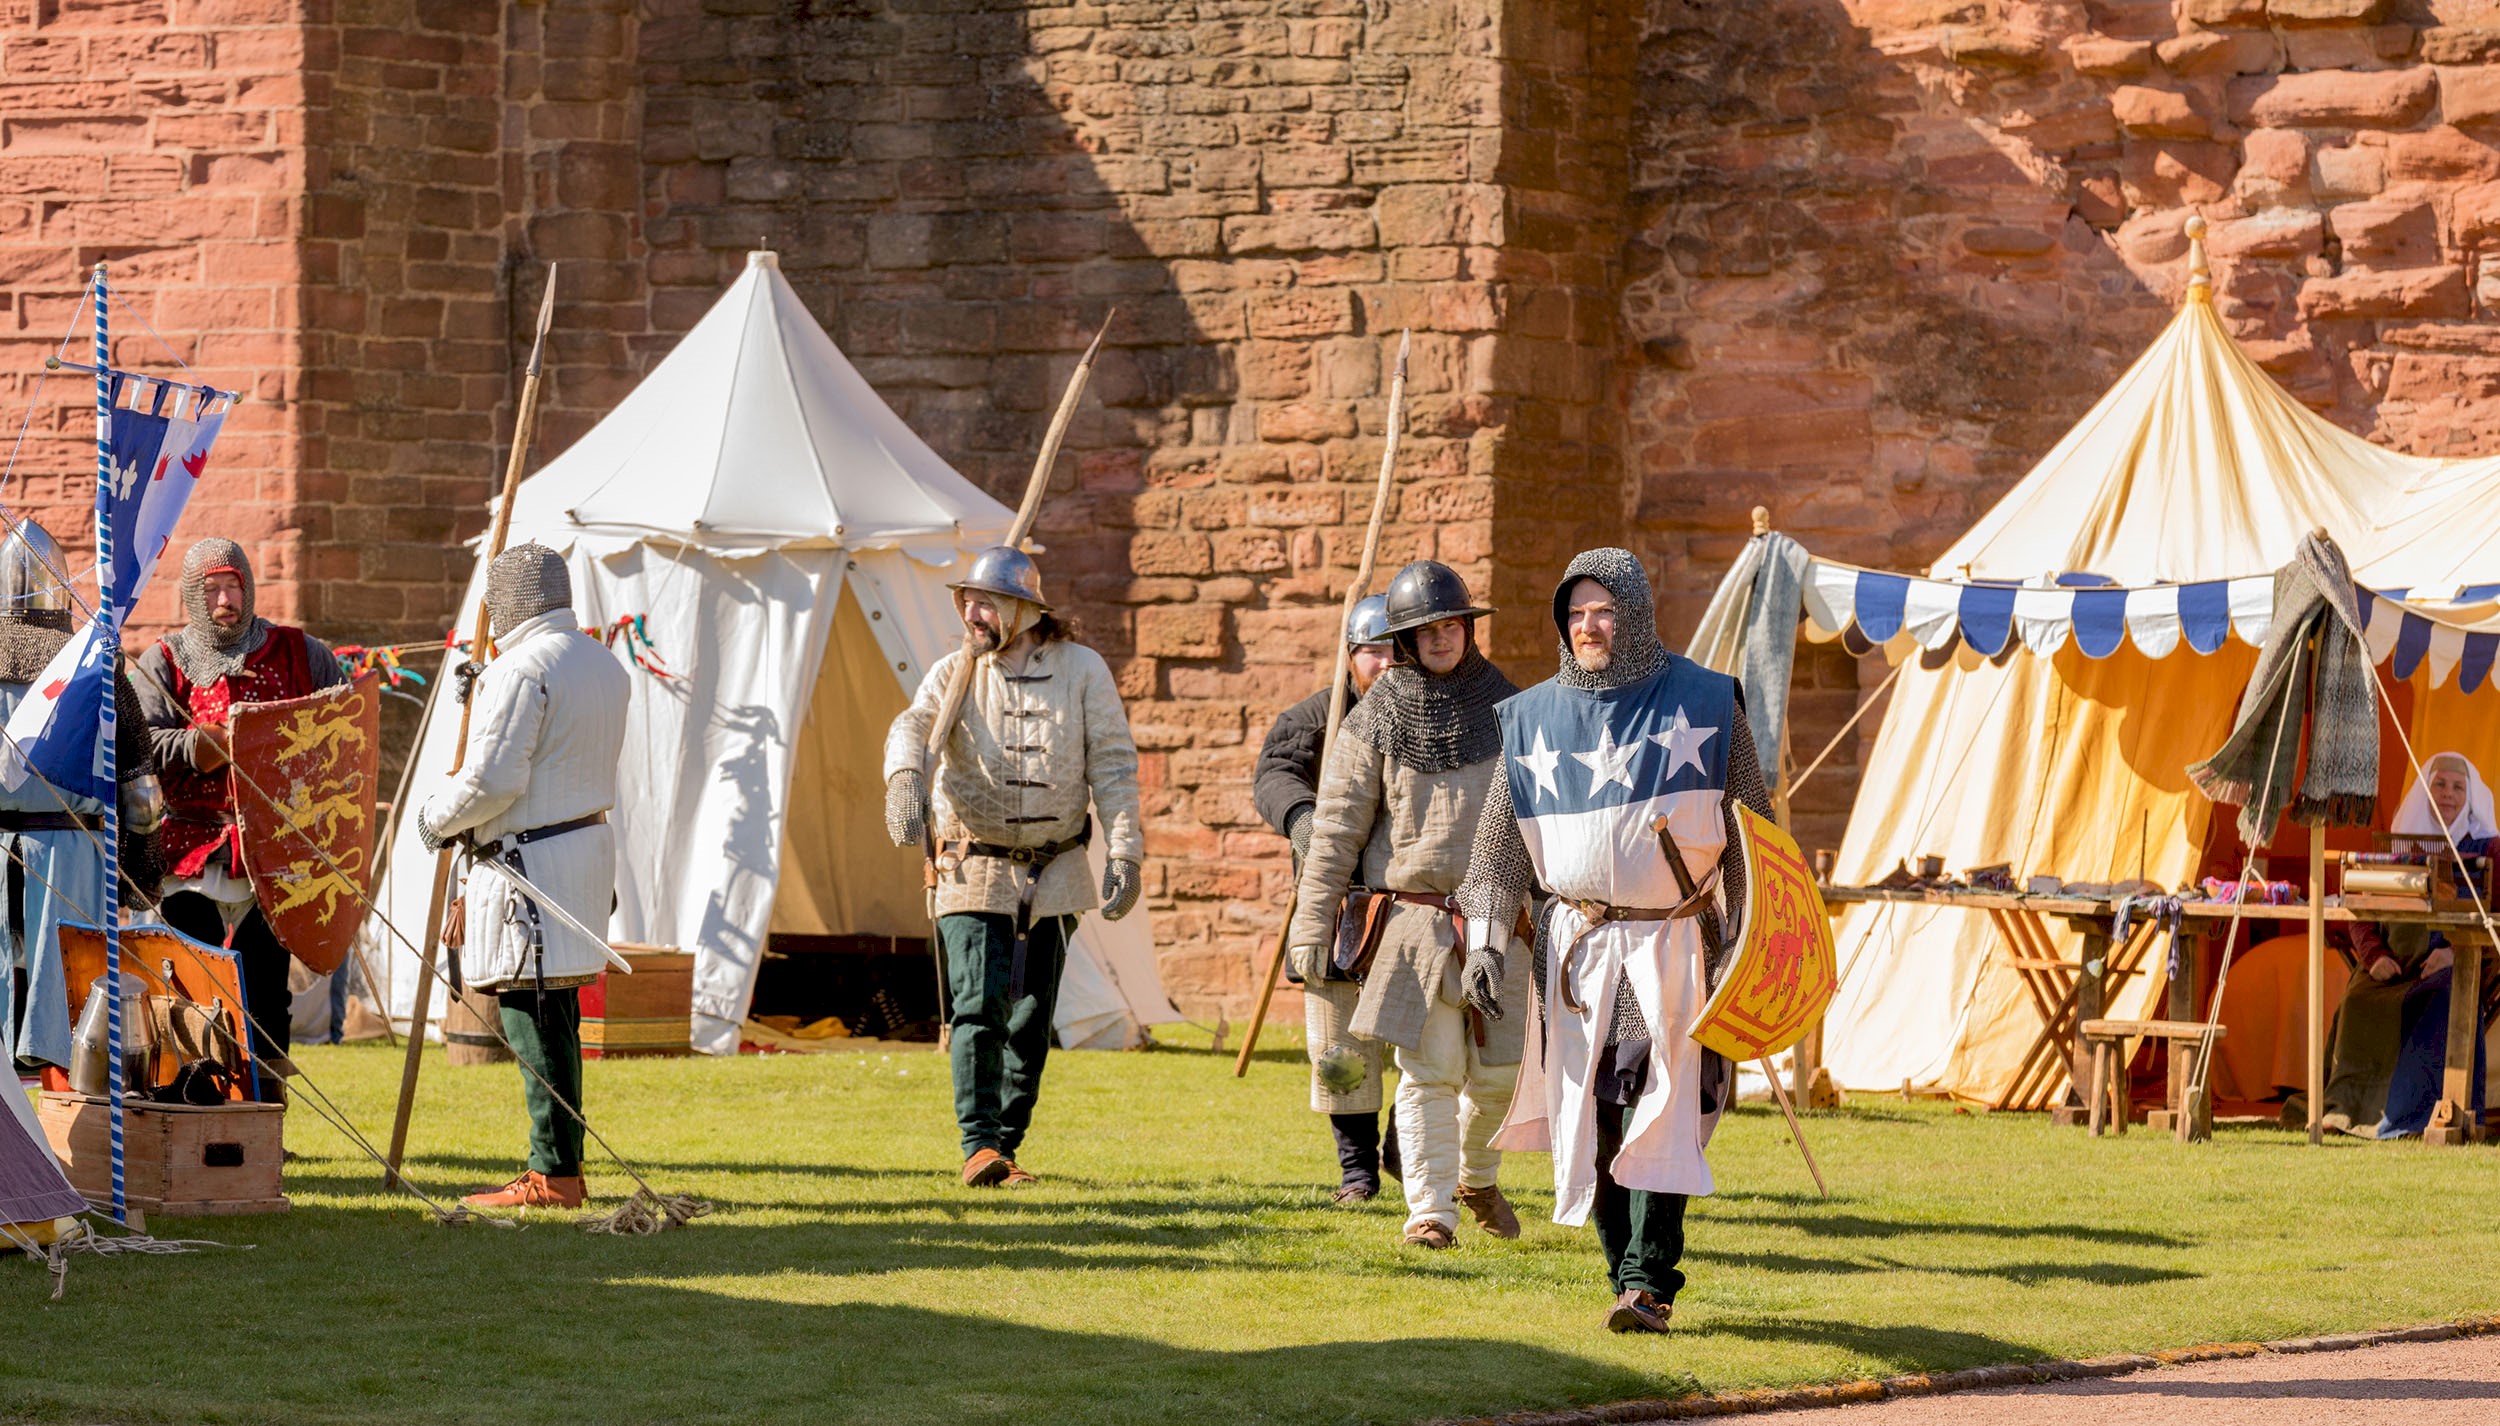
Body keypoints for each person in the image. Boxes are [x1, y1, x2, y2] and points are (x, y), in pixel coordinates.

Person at [1455, 548, 1771, 1333]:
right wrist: (1489, 943)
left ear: (1632, 613)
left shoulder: (1704, 701)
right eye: (1575, 613)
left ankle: (1648, 1282)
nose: (1588, 626)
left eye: (1602, 610)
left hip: (1674, 947)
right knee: (1591, 1119)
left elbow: (1754, 838)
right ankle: (1619, 1274)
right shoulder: (1530, 718)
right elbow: (1496, 851)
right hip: (1578, 953)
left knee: (1661, 1113)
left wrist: (1748, 941)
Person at [883, 546, 1143, 1188]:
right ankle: (978, 1146)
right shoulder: (954, 673)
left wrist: (1126, 848)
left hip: (1054, 873)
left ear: (1025, 609)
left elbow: (1112, 763)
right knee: (976, 1008)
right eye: (966, 600)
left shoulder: (1083, 669)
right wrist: (904, 777)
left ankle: (1005, 1146)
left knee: (1031, 1018)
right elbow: (912, 726)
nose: (972, 611)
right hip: (970, 866)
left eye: (986, 600)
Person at [1288, 562, 1523, 1248]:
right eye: (1426, 630)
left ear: (1465, 630)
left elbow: (1542, 820)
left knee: (1502, 1076)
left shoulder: (1509, 707)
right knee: (1429, 1074)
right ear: (1407, 640)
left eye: (1451, 625)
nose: (1442, 639)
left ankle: (1476, 1174)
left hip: (1499, 919)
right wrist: (1311, 923)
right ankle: (1430, 1214)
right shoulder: (1376, 717)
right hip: (1414, 921)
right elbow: (1334, 830)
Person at [416, 543, 629, 1210]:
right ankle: (561, 1165)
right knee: (553, 1008)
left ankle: (553, 1173)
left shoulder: (522, 670)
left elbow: (493, 780)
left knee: (532, 1013)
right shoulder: (601, 663)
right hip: (577, 850)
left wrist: (436, 818)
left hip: (528, 862)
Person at [130, 538, 343, 1099]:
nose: (225, 599)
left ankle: (264, 1117)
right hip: (190, 851)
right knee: (188, 987)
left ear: (249, 589)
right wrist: (205, 747)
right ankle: (192, 1110)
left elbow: (343, 731)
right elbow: (141, 743)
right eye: (212, 589)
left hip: (273, 855)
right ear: (193, 598)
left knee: (267, 991)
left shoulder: (302, 654)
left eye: (233, 586)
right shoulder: (165, 661)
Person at [1253, 593, 1405, 1204]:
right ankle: (1357, 1173)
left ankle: (1404, 1142)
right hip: (1339, 904)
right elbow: (1274, 773)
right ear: (1350, 656)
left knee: (1427, 1044)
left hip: (1410, 901)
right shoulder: (1314, 719)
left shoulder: (1436, 716)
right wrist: (1300, 816)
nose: (1388, 664)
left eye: (1399, 650)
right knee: (1342, 1050)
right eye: (1375, 652)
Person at [0, 517, 162, 1071]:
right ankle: (74, 1137)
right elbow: (141, 797)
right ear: (61, 585)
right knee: (73, 1015)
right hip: (75, 862)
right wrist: (139, 881)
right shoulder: (93, 661)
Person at [2371, 752, 2495, 1139]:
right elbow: (2364, 907)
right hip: (2398, 962)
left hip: (2463, 961)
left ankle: (2408, 1119)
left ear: (2470, 797)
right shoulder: (2399, 842)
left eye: (2458, 787)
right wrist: (2374, 955)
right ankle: (2349, 1112)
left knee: (2443, 998)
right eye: (2439, 784)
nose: (2447, 794)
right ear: (2426, 790)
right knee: (2358, 1003)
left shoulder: (2489, 849)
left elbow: (2498, 918)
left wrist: (2455, 953)